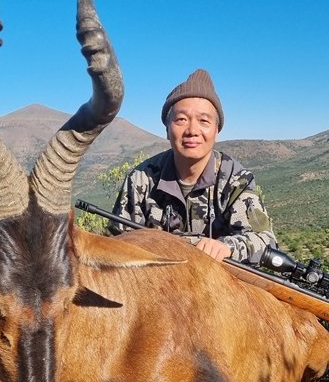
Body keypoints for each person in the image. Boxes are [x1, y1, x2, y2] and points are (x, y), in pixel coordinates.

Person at [110, 69, 276, 263]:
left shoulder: (236, 179)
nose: (192, 131)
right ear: (167, 128)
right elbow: (117, 245)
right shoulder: (141, 179)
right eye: (181, 119)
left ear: (216, 130)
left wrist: (226, 247)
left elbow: (265, 241)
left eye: (204, 121)